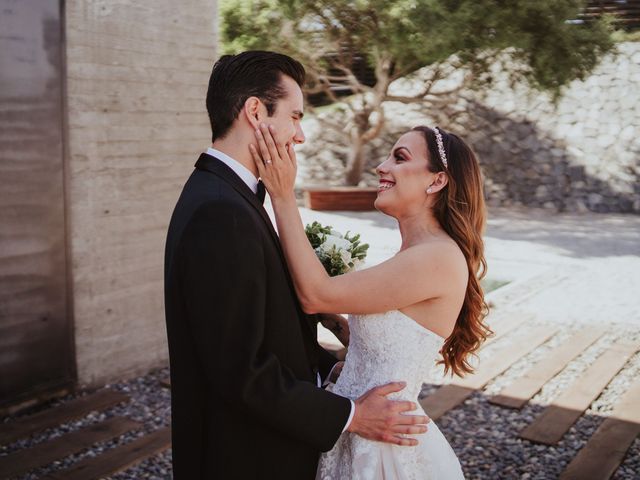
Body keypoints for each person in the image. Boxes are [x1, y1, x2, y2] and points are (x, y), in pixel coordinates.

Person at [163, 50, 430, 479]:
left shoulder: (229, 197)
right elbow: (239, 369)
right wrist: (352, 416)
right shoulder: (220, 211)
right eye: (295, 116)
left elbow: (264, 326)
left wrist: (326, 369)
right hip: (242, 458)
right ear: (255, 112)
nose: (300, 135)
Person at [251, 122, 491, 479]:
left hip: (381, 447)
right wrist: (347, 332)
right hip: (361, 426)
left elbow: (314, 294)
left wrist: (283, 195)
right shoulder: (419, 251)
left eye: (399, 157)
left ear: (437, 180)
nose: (382, 167)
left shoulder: (436, 257)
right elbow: (398, 338)